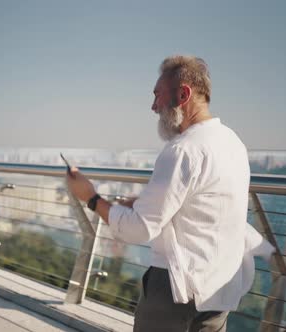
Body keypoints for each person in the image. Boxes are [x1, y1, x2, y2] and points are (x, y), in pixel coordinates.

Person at [66, 55, 274, 332]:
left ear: (183, 94)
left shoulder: (182, 150)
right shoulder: (233, 142)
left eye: (157, 95)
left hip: (176, 289)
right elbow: (203, 204)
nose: (153, 106)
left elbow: (139, 230)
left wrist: (90, 197)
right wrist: (141, 203)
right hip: (220, 286)